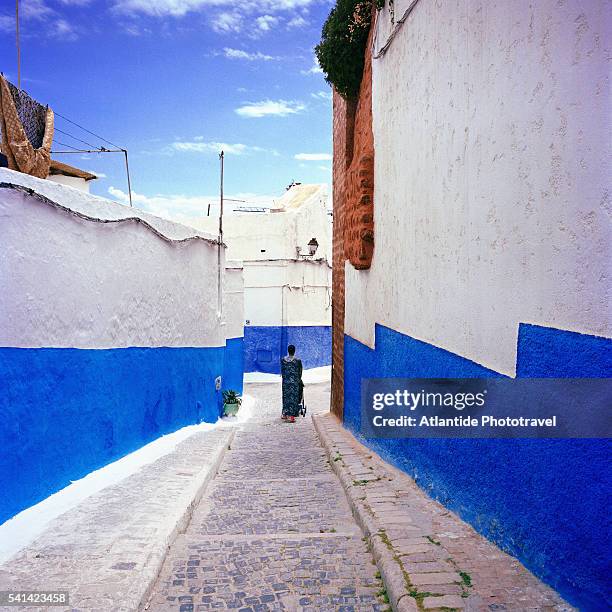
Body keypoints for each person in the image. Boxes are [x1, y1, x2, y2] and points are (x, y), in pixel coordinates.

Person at [280, 344, 303, 423]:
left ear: (288, 351)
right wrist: (299, 380)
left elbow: (282, 371)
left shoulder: (283, 360)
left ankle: (285, 413)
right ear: (294, 351)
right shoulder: (297, 361)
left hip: (285, 382)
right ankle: (291, 416)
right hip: (294, 383)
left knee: (286, 397)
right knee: (293, 398)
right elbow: (300, 372)